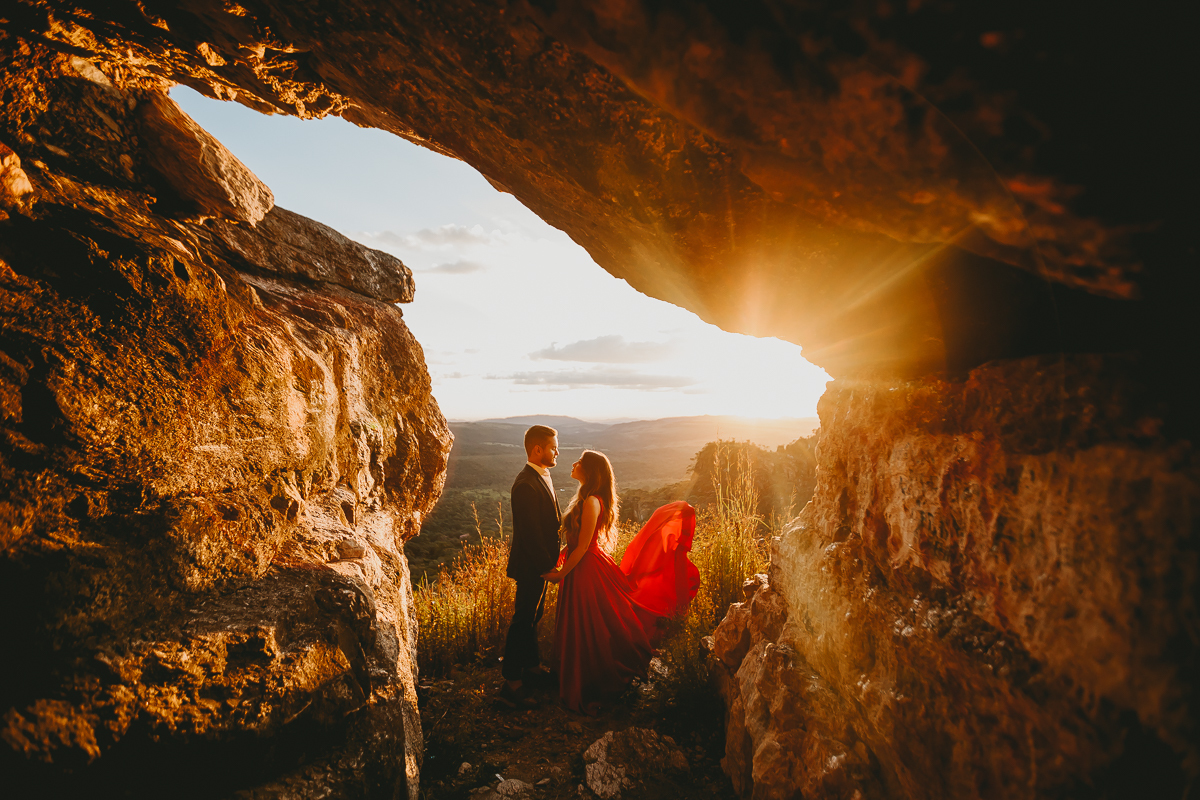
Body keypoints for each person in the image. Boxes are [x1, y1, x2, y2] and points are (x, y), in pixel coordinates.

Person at [542, 450, 699, 714]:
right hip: (580, 568)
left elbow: (582, 548)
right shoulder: (584, 498)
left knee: (590, 626)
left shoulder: (592, 501)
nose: (573, 464)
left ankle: (592, 681)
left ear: (589, 471)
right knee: (585, 624)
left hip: (586, 570)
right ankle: (574, 676)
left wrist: (560, 575)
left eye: (579, 462)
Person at [499, 425, 562, 708]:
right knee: (522, 620)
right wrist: (548, 567)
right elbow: (531, 532)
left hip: (538, 563)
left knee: (533, 618)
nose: (557, 452)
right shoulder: (525, 484)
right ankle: (512, 680)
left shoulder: (540, 477)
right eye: (553, 447)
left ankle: (532, 667)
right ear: (538, 450)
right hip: (531, 565)